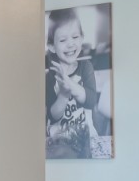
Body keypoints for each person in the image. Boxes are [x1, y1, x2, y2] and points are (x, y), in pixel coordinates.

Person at [45, 8, 108, 159]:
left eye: (75, 37)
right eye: (62, 40)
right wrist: (63, 95)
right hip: (60, 138)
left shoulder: (86, 67)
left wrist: (71, 86)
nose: (70, 44)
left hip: (85, 135)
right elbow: (53, 115)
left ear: (82, 38)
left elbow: (91, 101)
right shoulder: (51, 75)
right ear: (52, 46)